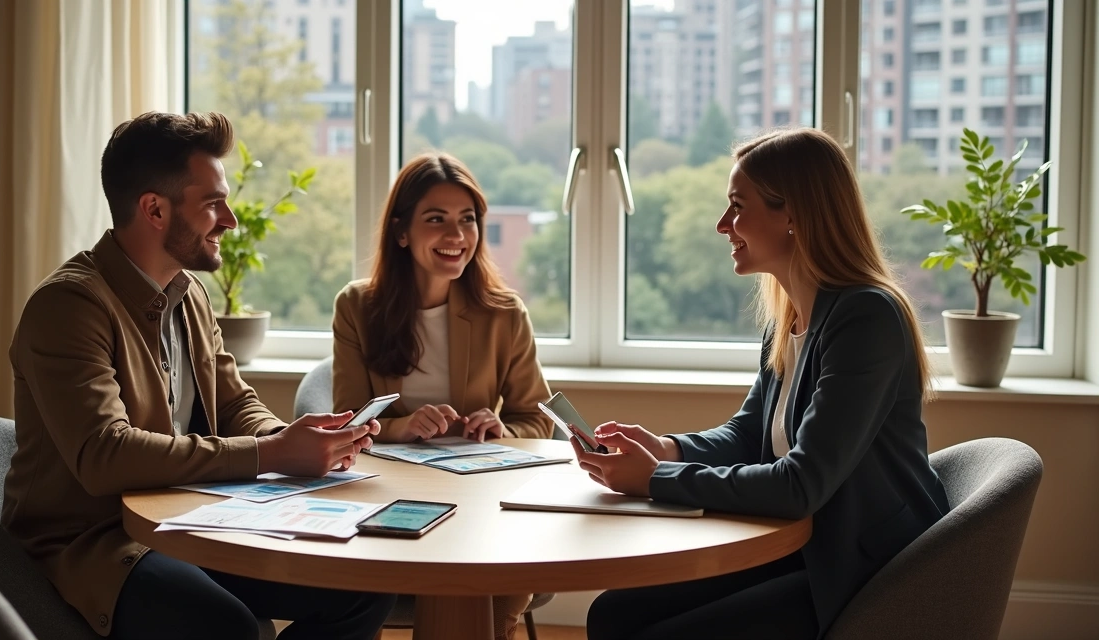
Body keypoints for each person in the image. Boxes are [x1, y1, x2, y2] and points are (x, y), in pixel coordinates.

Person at [2, 111, 395, 640]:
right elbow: (105, 455)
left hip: (188, 521)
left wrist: (292, 438)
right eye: (212, 203)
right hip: (95, 542)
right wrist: (273, 455)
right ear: (154, 209)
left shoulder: (190, 296)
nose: (230, 219)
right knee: (222, 624)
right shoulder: (69, 307)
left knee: (362, 587)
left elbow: (235, 404)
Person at [576, 128, 951, 640]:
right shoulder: (790, 315)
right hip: (803, 549)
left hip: (863, 570)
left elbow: (799, 485)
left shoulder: (866, 318)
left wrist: (654, 480)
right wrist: (667, 450)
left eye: (736, 206)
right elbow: (751, 434)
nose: (722, 225)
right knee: (612, 614)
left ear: (792, 214)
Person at [331, 152, 552, 640]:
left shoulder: (504, 312)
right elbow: (343, 424)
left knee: (499, 587)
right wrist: (401, 428)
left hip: (480, 495)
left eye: (467, 220)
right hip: (388, 496)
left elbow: (536, 420)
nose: (457, 236)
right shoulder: (356, 306)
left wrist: (503, 429)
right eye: (437, 220)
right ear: (402, 231)